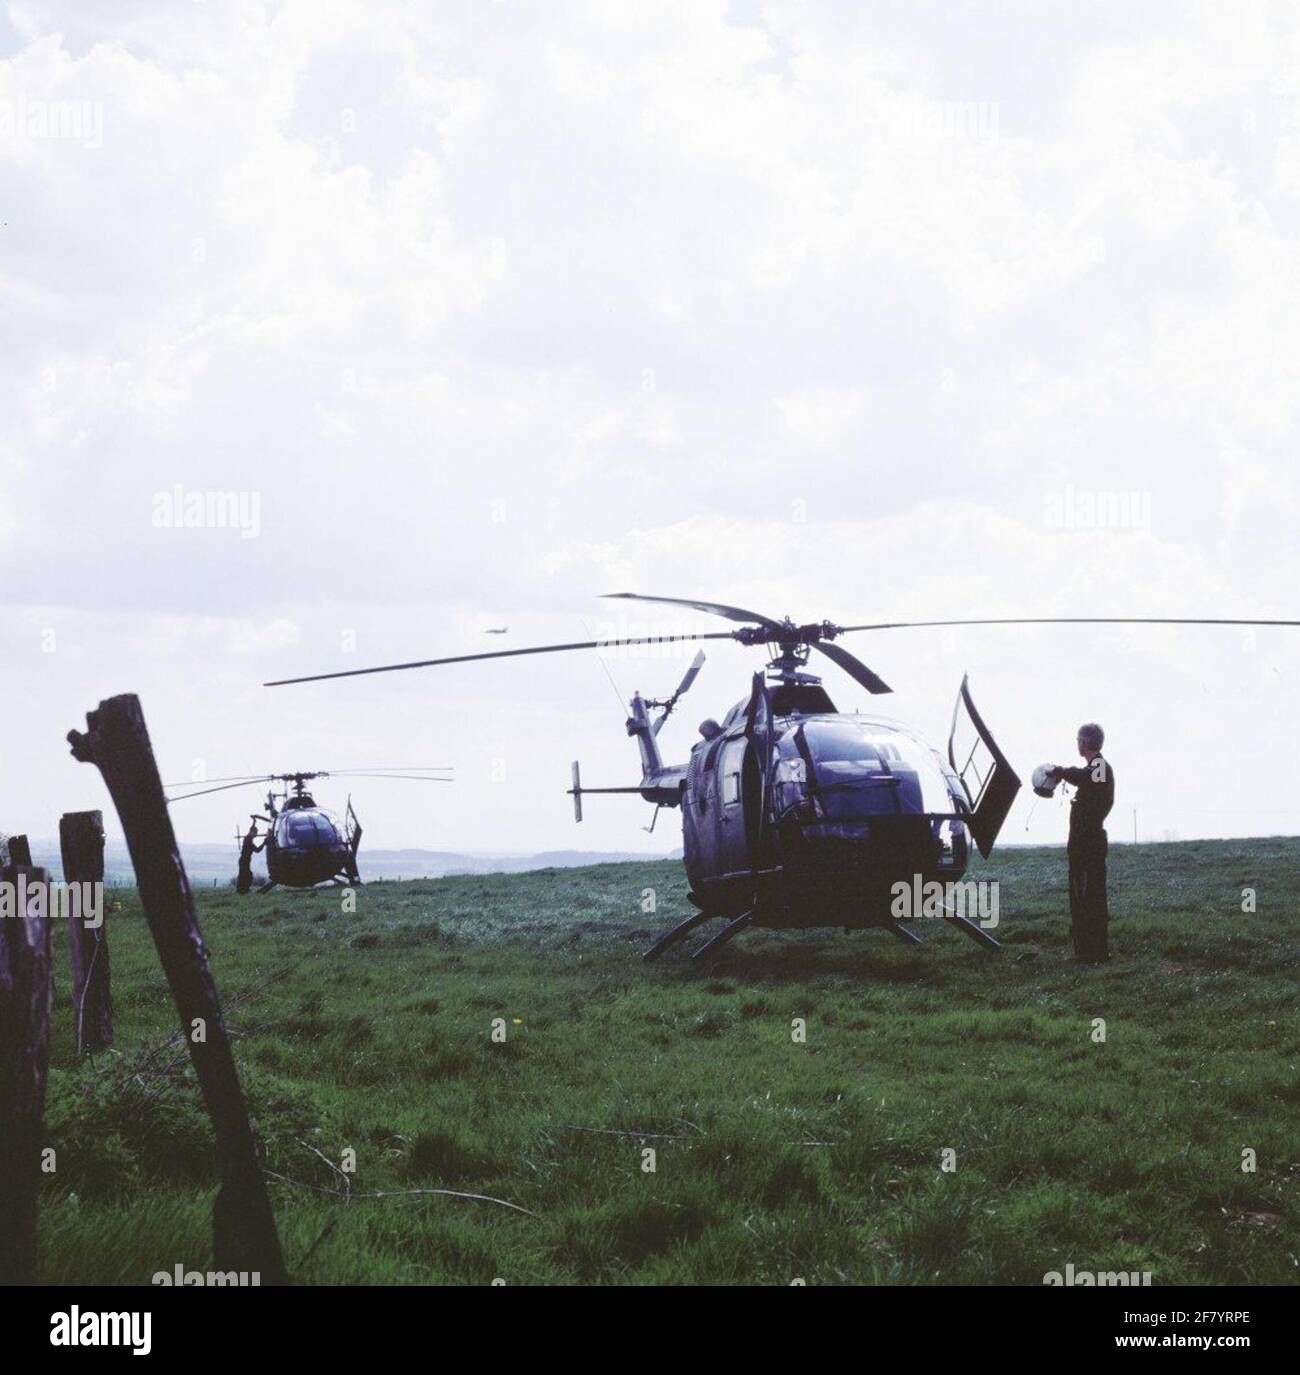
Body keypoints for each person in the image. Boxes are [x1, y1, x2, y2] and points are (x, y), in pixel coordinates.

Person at [1048, 723, 1114, 963]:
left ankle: (1091, 953)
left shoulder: (1100, 767)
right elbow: (1083, 778)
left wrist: (1059, 770)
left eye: (1078, 740)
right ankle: (1089, 951)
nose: (1077, 743)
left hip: (1088, 845)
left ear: (1084, 742)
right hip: (1086, 844)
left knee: (1088, 897)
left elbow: (1084, 777)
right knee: (1085, 896)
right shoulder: (1096, 769)